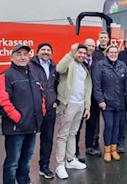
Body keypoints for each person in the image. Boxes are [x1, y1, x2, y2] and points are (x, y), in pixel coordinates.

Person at [0, 44, 45, 184]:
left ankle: (24, 181)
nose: (22, 57)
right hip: (16, 128)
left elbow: (41, 95)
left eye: (25, 54)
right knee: (13, 162)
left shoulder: (33, 74)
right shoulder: (5, 75)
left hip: (32, 125)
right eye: (18, 54)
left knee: (27, 159)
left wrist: (41, 113)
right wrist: (18, 118)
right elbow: (3, 102)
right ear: (12, 57)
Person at [55, 43, 92, 179]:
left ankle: (70, 160)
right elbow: (59, 69)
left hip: (80, 105)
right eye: (79, 52)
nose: (82, 55)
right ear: (74, 52)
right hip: (68, 104)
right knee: (63, 135)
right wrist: (70, 53)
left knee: (73, 133)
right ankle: (60, 164)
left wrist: (87, 107)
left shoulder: (84, 68)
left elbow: (87, 88)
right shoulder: (69, 63)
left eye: (84, 53)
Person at [92, 45, 127, 162]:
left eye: (115, 52)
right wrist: (100, 100)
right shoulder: (100, 65)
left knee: (116, 126)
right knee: (109, 125)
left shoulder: (122, 65)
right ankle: (107, 150)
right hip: (107, 103)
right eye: (111, 52)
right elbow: (97, 85)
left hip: (120, 102)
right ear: (106, 53)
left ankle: (114, 149)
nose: (113, 54)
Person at [29, 43, 59, 179]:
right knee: (28, 140)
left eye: (48, 50)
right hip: (33, 108)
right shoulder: (30, 66)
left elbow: (58, 85)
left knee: (47, 138)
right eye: (43, 50)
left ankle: (44, 166)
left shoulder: (54, 67)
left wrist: (56, 101)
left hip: (50, 108)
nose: (46, 52)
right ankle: (24, 171)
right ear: (37, 52)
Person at [82, 38, 103, 157]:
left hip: (93, 97)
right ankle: (74, 151)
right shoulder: (78, 60)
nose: (90, 48)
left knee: (92, 123)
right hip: (80, 97)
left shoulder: (98, 61)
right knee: (77, 126)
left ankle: (89, 147)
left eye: (92, 46)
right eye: (88, 46)